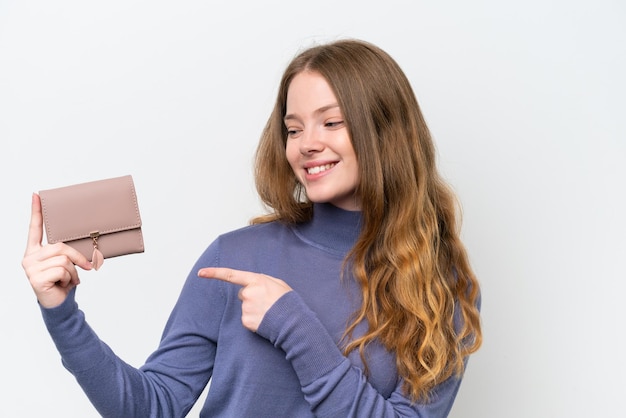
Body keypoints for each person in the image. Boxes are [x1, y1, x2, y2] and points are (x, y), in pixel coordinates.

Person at [22, 38, 482, 417]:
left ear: (387, 132)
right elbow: (151, 407)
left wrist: (293, 324)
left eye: (332, 122)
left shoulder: (441, 286)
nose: (307, 145)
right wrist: (62, 314)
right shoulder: (235, 258)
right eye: (294, 129)